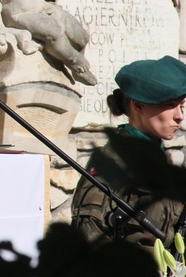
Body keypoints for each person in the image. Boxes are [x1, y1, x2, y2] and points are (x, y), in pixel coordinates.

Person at [71, 55, 186, 250]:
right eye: (169, 105)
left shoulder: (157, 159)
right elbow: (88, 241)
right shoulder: (113, 163)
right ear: (138, 105)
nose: (179, 116)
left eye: (182, 106)